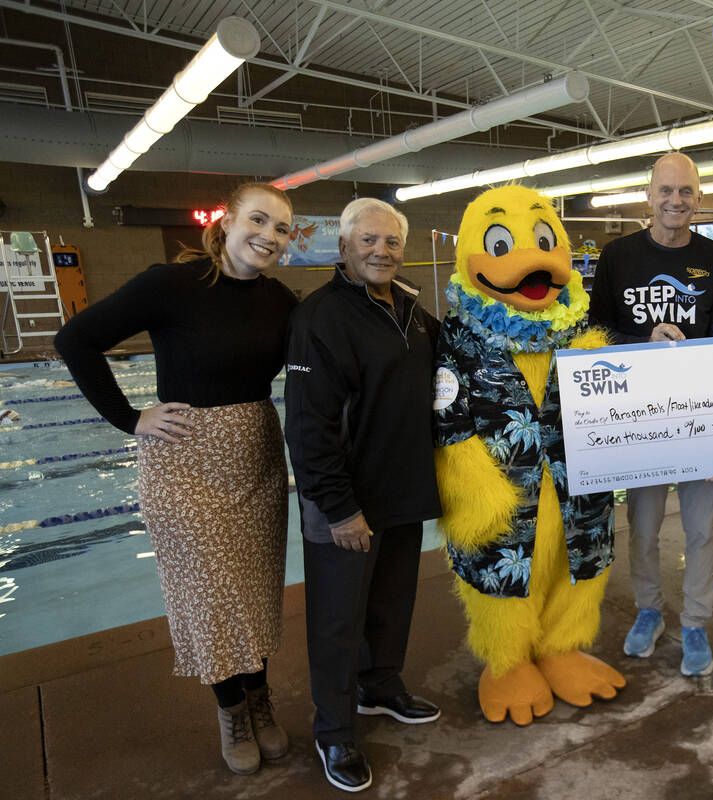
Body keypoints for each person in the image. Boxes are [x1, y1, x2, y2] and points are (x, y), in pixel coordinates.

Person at [54, 182, 296, 775]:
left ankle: (260, 699)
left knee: (256, 589)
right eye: (259, 221)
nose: (269, 235)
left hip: (258, 457)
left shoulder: (282, 300)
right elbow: (75, 339)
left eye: (282, 228)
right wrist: (129, 418)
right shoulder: (171, 284)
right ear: (228, 222)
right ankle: (231, 710)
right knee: (210, 594)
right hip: (184, 462)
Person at [285, 198, 442, 791]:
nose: (382, 251)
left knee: (391, 603)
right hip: (346, 501)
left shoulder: (413, 311)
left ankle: (380, 685)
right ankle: (335, 733)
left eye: (392, 242)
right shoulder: (320, 318)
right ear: (344, 247)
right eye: (369, 240)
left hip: (401, 492)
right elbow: (308, 427)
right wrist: (338, 506)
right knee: (336, 619)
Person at [588, 152, 713, 677]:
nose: (676, 201)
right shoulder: (617, 257)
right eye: (666, 191)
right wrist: (642, 340)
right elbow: (596, 336)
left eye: (686, 192)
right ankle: (649, 610)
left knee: (701, 529)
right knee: (643, 527)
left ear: (699, 198)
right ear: (648, 196)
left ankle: (695, 621)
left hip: (697, 415)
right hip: (639, 419)